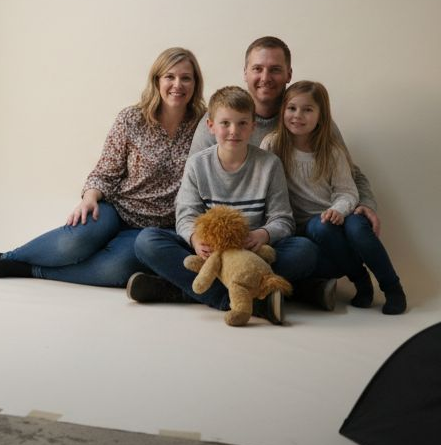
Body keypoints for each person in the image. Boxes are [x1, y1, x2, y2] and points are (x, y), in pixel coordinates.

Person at [0, 47, 207, 287]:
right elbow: (104, 172)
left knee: (117, 270)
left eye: (186, 78)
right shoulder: (132, 119)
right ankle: (7, 256)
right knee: (73, 243)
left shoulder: (205, 126)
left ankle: (30, 269)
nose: (177, 85)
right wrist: (89, 198)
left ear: (195, 84)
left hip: (157, 229)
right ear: (157, 81)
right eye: (170, 77)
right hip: (117, 210)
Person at [190, 36, 381, 309]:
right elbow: (193, 180)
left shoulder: (308, 116)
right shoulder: (219, 118)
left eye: (275, 69)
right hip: (228, 238)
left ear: (288, 74)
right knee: (153, 242)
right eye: (257, 68)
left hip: (285, 233)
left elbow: (350, 173)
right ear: (245, 72)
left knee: (312, 252)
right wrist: (200, 237)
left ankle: (226, 290)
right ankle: (291, 292)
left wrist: (366, 204)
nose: (265, 77)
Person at [128, 86, 311, 324]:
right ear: (211, 126)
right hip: (210, 255)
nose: (234, 131)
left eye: (242, 123)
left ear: (253, 126)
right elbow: (185, 214)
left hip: (252, 255)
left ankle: (176, 291)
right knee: (147, 241)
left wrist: (263, 234)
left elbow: (283, 218)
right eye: (225, 123)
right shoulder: (197, 164)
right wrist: (195, 239)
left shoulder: (269, 164)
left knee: (305, 250)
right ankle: (249, 302)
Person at [264, 81, 405, 314]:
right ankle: (360, 281)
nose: (298, 115)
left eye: (307, 110)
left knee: (359, 229)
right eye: (291, 108)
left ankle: (392, 287)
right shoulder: (273, 144)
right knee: (322, 228)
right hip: (309, 226)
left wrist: (339, 210)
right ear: (283, 111)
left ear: (321, 116)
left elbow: (347, 191)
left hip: (340, 213)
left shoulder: (331, 151)